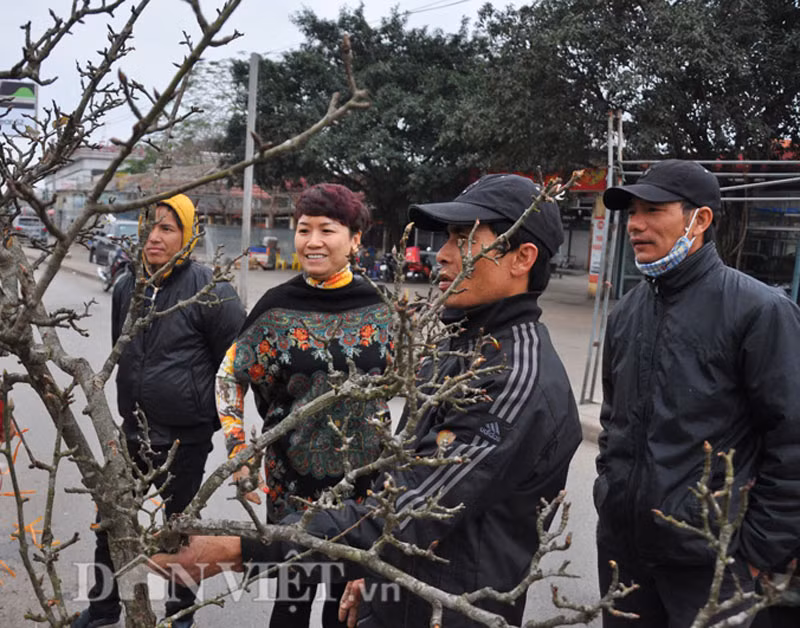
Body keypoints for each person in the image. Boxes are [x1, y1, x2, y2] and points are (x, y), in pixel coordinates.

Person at [154, 173, 583, 627]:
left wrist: (235, 549)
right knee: (292, 606)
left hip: (445, 605)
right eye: (304, 228)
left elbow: (419, 510)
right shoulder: (461, 345)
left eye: (464, 238)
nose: (442, 253)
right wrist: (369, 568)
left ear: (522, 258)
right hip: (335, 524)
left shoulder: (509, 375)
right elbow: (408, 462)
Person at [594, 160, 800, 627]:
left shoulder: (760, 311)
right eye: (632, 213)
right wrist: (609, 498)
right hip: (625, 559)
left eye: (653, 210)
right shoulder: (626, 313)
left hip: (714, 567)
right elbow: (614, 424)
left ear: (699, 220)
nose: (636, 225)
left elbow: (791, 443)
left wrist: (758, 554)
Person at [215, 183, 392, 627]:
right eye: (303, 229)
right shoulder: (277, 307)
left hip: (363, 490)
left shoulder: (382, 306)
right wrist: (238, 450)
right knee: (291, 605)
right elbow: (228, 375)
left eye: (327, 230)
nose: (312, 241)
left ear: (354, 239)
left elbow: (418, 384)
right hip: (292, 485)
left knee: (347, 607)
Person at [73, 194, 246, 628]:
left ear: (187, 237)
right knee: (111, 522)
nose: (153, 236)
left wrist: (227, 434)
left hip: (185, 438)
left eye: (167, 228)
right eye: (148, 226)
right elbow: (123, 350)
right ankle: (102, 611)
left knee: (179, 533)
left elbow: (235, 367)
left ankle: (179, 617)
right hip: (131, 431)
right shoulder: (127, 286)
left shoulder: (212, 292)